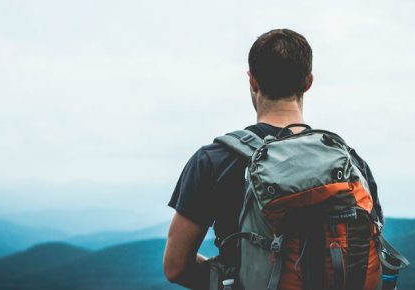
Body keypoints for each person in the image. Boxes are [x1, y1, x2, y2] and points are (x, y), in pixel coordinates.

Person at [163, 28, 383, 289]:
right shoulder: (350, 163)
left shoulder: (213, 161)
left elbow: (176, 267)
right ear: (308, 82)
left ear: (252, 81)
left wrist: (230, 280)